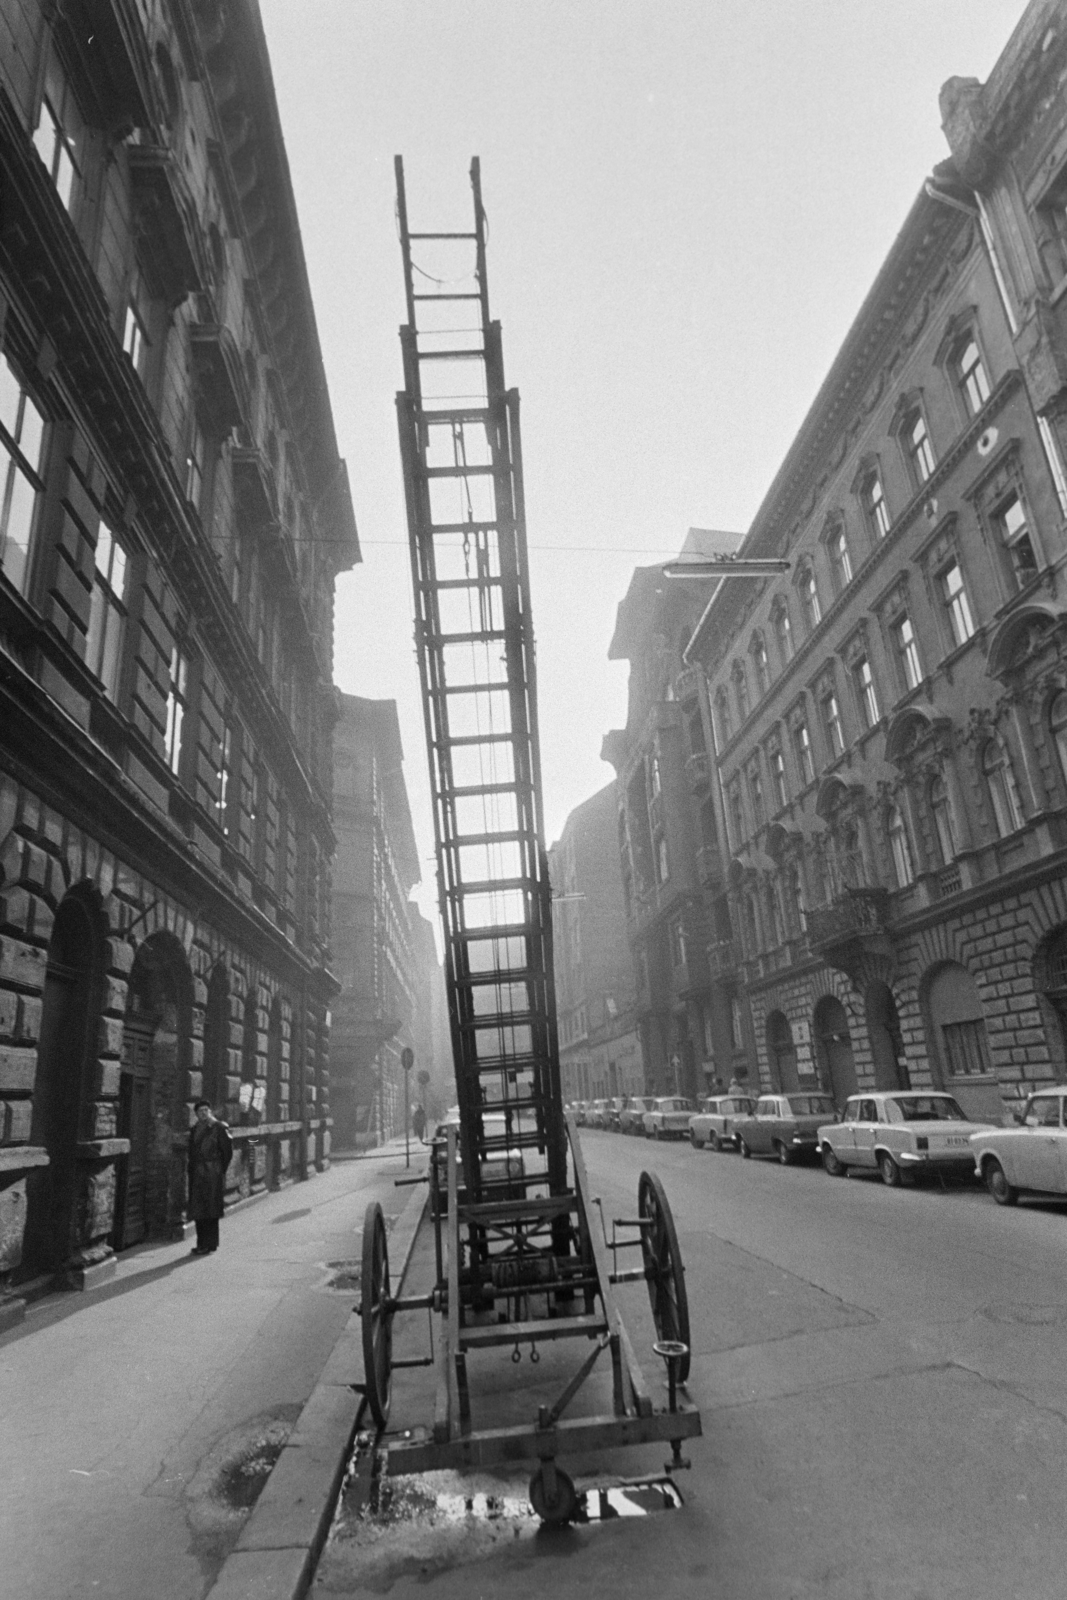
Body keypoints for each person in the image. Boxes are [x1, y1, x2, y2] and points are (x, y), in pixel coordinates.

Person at [188, 1099, 233, 1255]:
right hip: (197, 1174)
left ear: (210, 1111)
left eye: (206, 1110)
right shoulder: (194, 1130)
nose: (204, 1113)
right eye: (200, 1111)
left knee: (211, 1211)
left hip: (212, 1173)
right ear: (196, 1114)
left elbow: (227, 1152)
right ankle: (201, 1243)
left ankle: (210, 1244)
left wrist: (219, 1170)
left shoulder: (219, 1128)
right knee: (198, 1210)